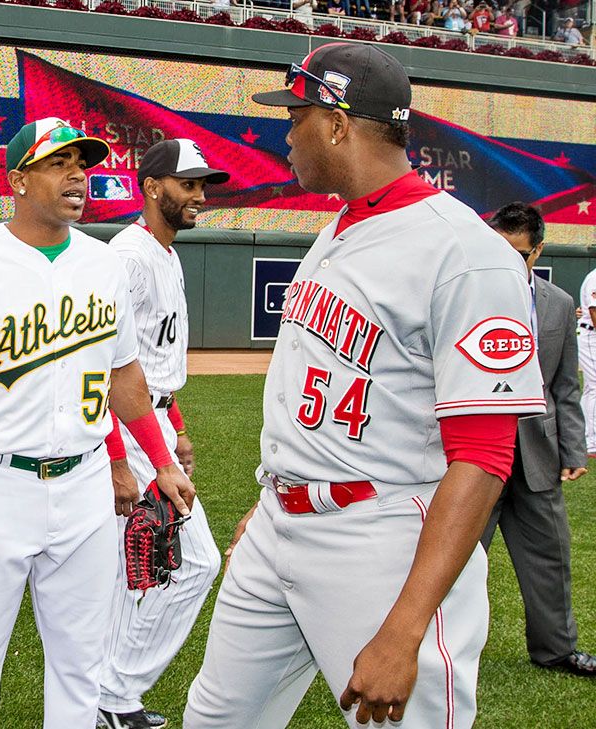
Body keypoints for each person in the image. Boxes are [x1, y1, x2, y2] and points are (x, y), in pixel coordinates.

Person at [186, 42, 545, 728]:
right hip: (281, 526)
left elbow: (485, 456)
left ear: (338, 123)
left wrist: (406, 628)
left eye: (295, 116)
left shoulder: (466, 253)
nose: (284, 133)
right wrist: (278, 495)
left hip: (381, 538)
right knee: (216, 718)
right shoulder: (342, 228)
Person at [0, 117, 195, 729]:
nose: (78, 174)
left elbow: (126, 377)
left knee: (81, 664)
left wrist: (159, 462)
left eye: (82, 163)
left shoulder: (105, 265)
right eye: (58, 163)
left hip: (84, 488)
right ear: (18, 180)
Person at [95, 140, 227, 729]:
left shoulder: (164, 255)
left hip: (152, 425)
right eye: (189, 184)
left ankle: (107, 699)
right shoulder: (128, 259)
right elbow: (100, 369)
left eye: (203, 185)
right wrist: (119, 460)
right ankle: (113, 692)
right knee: (195, 562)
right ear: (152, 187)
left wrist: (176, 427)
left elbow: (149, 361)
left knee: (139, 571)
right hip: (122, 431)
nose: (200, 195)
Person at [479, 202, 595, 678]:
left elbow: (564, 387)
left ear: (538, 251)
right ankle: (429, 646)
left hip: (538, 455)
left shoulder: (559, 304)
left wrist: (572, 449)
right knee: (452, 560)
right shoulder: (462, 295)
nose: (508, 264)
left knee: (550, 557)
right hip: (472, 456)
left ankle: (557, 649)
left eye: (519, 255)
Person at [579, 259, 596, 455]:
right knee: (594, 387)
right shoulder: (594, 277)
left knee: (591, 388)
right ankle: (591, 443)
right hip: (591, 335)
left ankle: (585, 435)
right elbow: (594, 312)